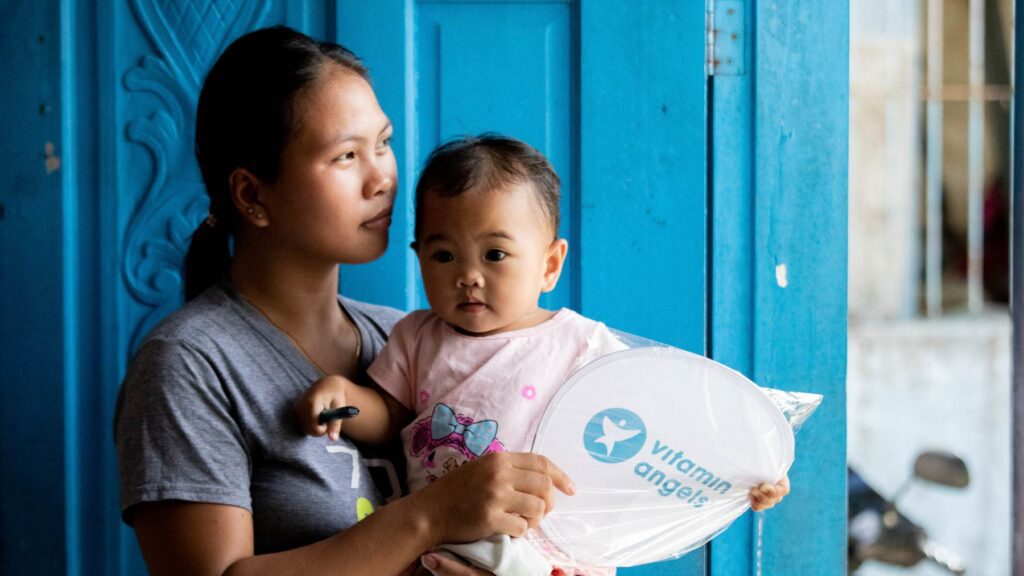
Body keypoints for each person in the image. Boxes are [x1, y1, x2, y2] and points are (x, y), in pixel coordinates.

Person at [114, 27, 573, 576]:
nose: (382, 178)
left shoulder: (409, 338)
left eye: (383, 143)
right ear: (252, 195)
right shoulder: (188, 364)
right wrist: (428, 517)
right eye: (347, 155)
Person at [296, 135, 791, 575]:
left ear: (550, 264)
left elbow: (663, 430)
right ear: (419, 255)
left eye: (495, 255)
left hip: (555, 556)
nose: (468, 275)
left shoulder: (583, 346)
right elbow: (392, 417)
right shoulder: (416, 336)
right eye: (443, 255)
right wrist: (345, 401)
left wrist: (743, 469)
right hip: (443, 547)